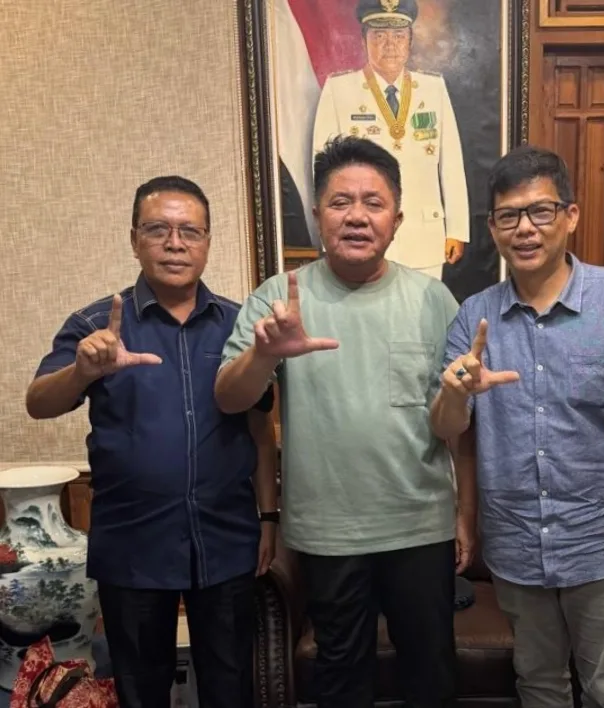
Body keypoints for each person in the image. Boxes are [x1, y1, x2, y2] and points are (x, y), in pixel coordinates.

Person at [214, 135, 471, 708]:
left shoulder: (434, 300)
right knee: (340, 677)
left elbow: (456, 428)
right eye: (340, 202)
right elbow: (230, 400)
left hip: (420, 525)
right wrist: (264, 354)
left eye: (373, 203)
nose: (357, 216)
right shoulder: (279, 298)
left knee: (431, 674)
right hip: (328, 532)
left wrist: (465, 514)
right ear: (316, 215)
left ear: (396, 220)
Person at [430, 145, 604, 708]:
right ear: (493, 228)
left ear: (571, 215)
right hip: (515, 542)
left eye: (540, 211)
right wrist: (455, 393)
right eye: (508, 216)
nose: (525, 229)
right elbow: (451, 432)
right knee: (539, 685)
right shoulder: (474, 317)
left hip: (602, 540)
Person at [25, 176, 278, 708]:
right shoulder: (96, 324)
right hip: (132, 547)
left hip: (226, 540)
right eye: (158, 229)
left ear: (207, 241)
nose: (175, 243)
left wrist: (269, 518)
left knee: (231, 687)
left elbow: (259, 428)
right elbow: (39, 402)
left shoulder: (239, 324)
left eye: (190, 231)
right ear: (134, 239)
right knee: (140, 690)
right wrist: (82, 371)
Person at [312, 0, 469, 279]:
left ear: (410, 41)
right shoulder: (339, 90)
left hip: (424, 235)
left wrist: (456, 229)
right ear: (363, 41)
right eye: (379, 36)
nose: (390, 45)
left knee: (423, 307)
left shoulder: (432, 88)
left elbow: (451, 164)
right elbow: (324, 171)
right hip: (361, 234)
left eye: (398, 36)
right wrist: (330, 235)